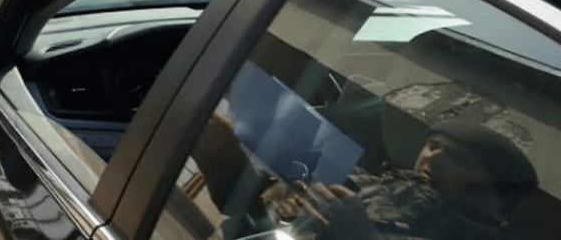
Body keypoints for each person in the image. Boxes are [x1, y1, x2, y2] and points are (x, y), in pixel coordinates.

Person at [192, 113, 538, 240]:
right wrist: (221, 153)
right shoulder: (370, 185)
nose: (434, 156)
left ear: (494, 199)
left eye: (458, 157)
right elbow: (245, 207)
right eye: (433, 145)